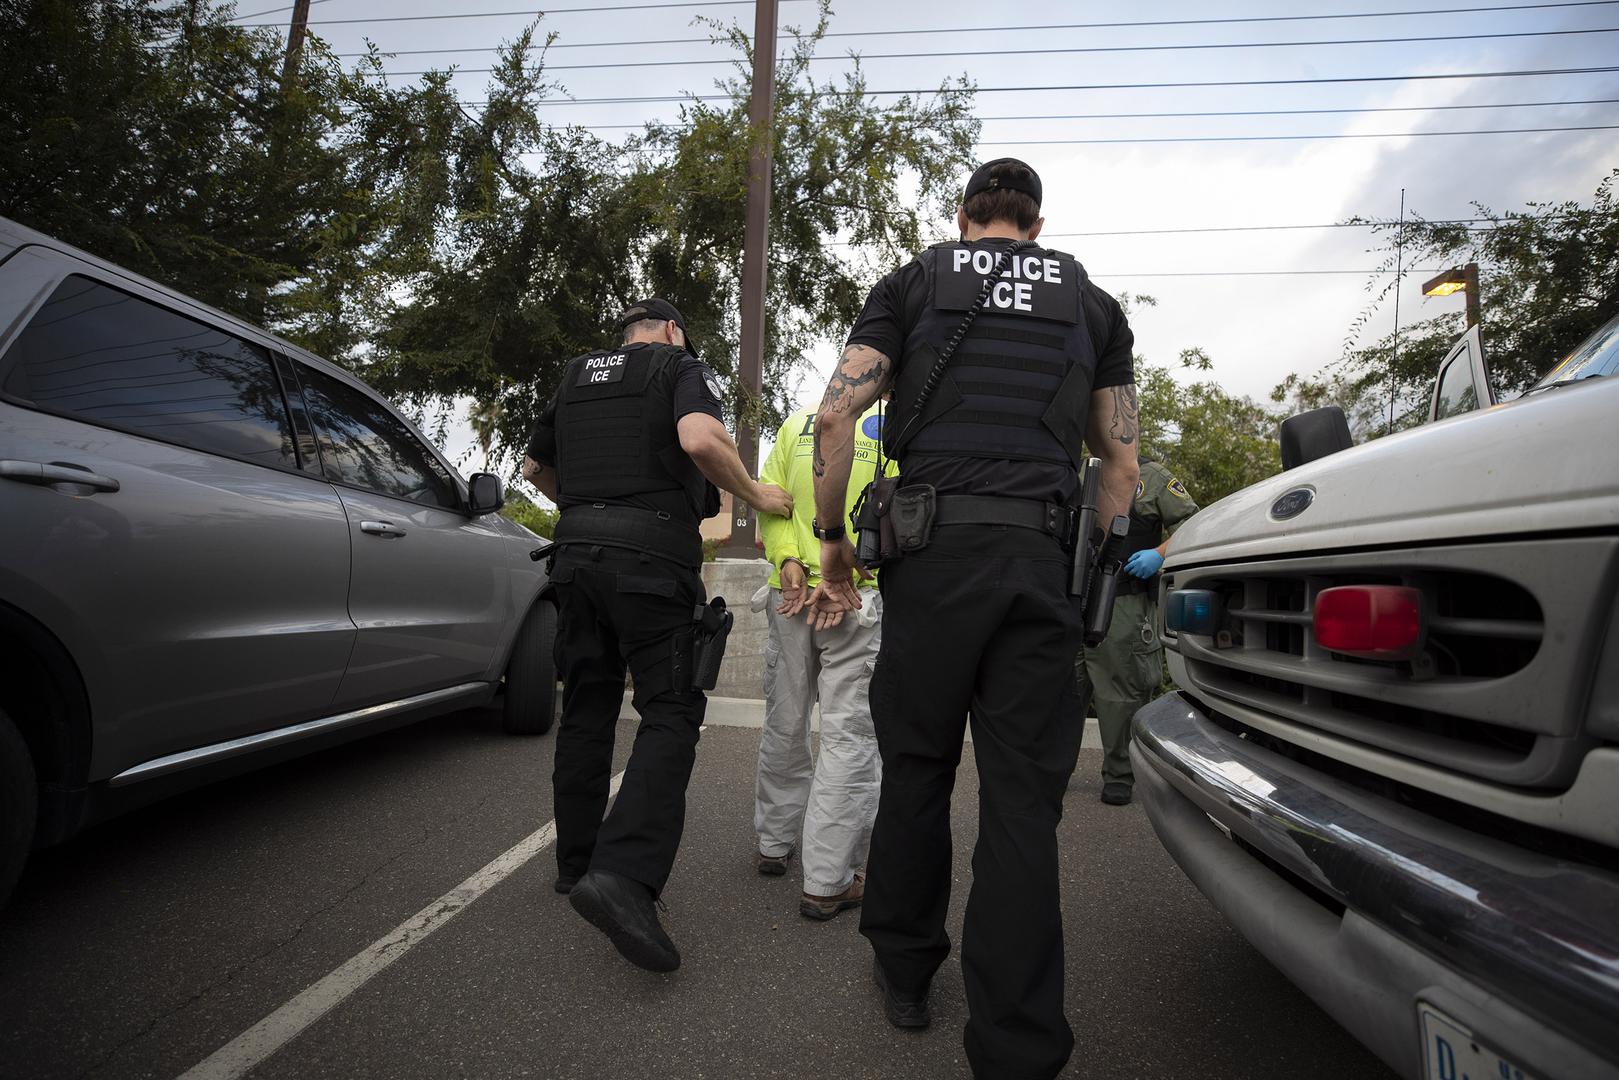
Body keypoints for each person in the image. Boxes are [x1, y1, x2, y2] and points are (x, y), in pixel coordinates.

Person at [809, 158, 1140, 1080]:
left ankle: (905, 968)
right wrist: (1091, 574)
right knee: (1022, 802)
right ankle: (1016, 1042)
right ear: (1036, 225)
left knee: (916, 769)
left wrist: (832, 541)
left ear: (962, 218)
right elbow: (1118, 465)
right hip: (1040, 565)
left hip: (931, 561)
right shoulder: (1092, 305)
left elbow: (834, 420)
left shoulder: (912, 283)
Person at [521, 298, 791, 973]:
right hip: (650, 565)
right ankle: (623, 875)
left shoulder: (575, 374)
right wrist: (756, 495)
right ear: (673, 331)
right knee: (670, 712)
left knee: (586, 708)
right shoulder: (677, 366)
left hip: (574, 559)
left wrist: (588, 511)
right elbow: (700, 441)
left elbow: (534, 470)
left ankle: (575, 865)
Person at [753, 400, 895, 921]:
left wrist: (789, 559)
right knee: (848, 735)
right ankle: (827, 880)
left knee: (785, 722)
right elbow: (902, 511)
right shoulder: (898, 427)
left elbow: (771, 500)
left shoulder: (797, 424)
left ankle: (774, 843)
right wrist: (846, 573)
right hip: (856, 597)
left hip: (788, 595)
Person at [1074, 457, 1199, 807]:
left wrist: (1159, 554)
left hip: (1123, 599)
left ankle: (1119, 774)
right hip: (1074, 597)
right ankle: (1053, 768)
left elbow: (1193, 522)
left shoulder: (1151, 476)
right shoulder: (1080, 470)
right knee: (1064, 688)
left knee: (1120, 692)